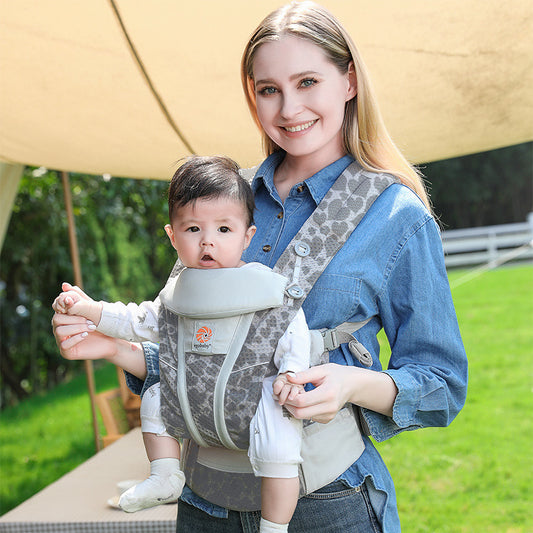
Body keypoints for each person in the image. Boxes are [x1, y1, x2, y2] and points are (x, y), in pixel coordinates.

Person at [52, 2, 468, 531]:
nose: (289, 108)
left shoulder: (395, 217)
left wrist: (350, 384)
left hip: (325, 505)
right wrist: (113, 347)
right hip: (202, 504)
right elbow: (192, 357)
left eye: (308, 81)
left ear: (349, 81)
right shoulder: (222, 204)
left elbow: (441, 383)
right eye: (269, 89)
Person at [53, 155, 311, 532]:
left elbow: (292, 326)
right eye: (193, 229)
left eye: (224, 229)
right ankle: (164, 473)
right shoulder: (178, 291)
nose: (208, 240)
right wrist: (91, 310)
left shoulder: (263, 284)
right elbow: (138, 322)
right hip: (199, 414)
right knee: (157, 393)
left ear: (248, 236)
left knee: (280, 441)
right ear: (173, 236)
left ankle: (274, 526)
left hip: (254, 399)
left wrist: (291, 369)